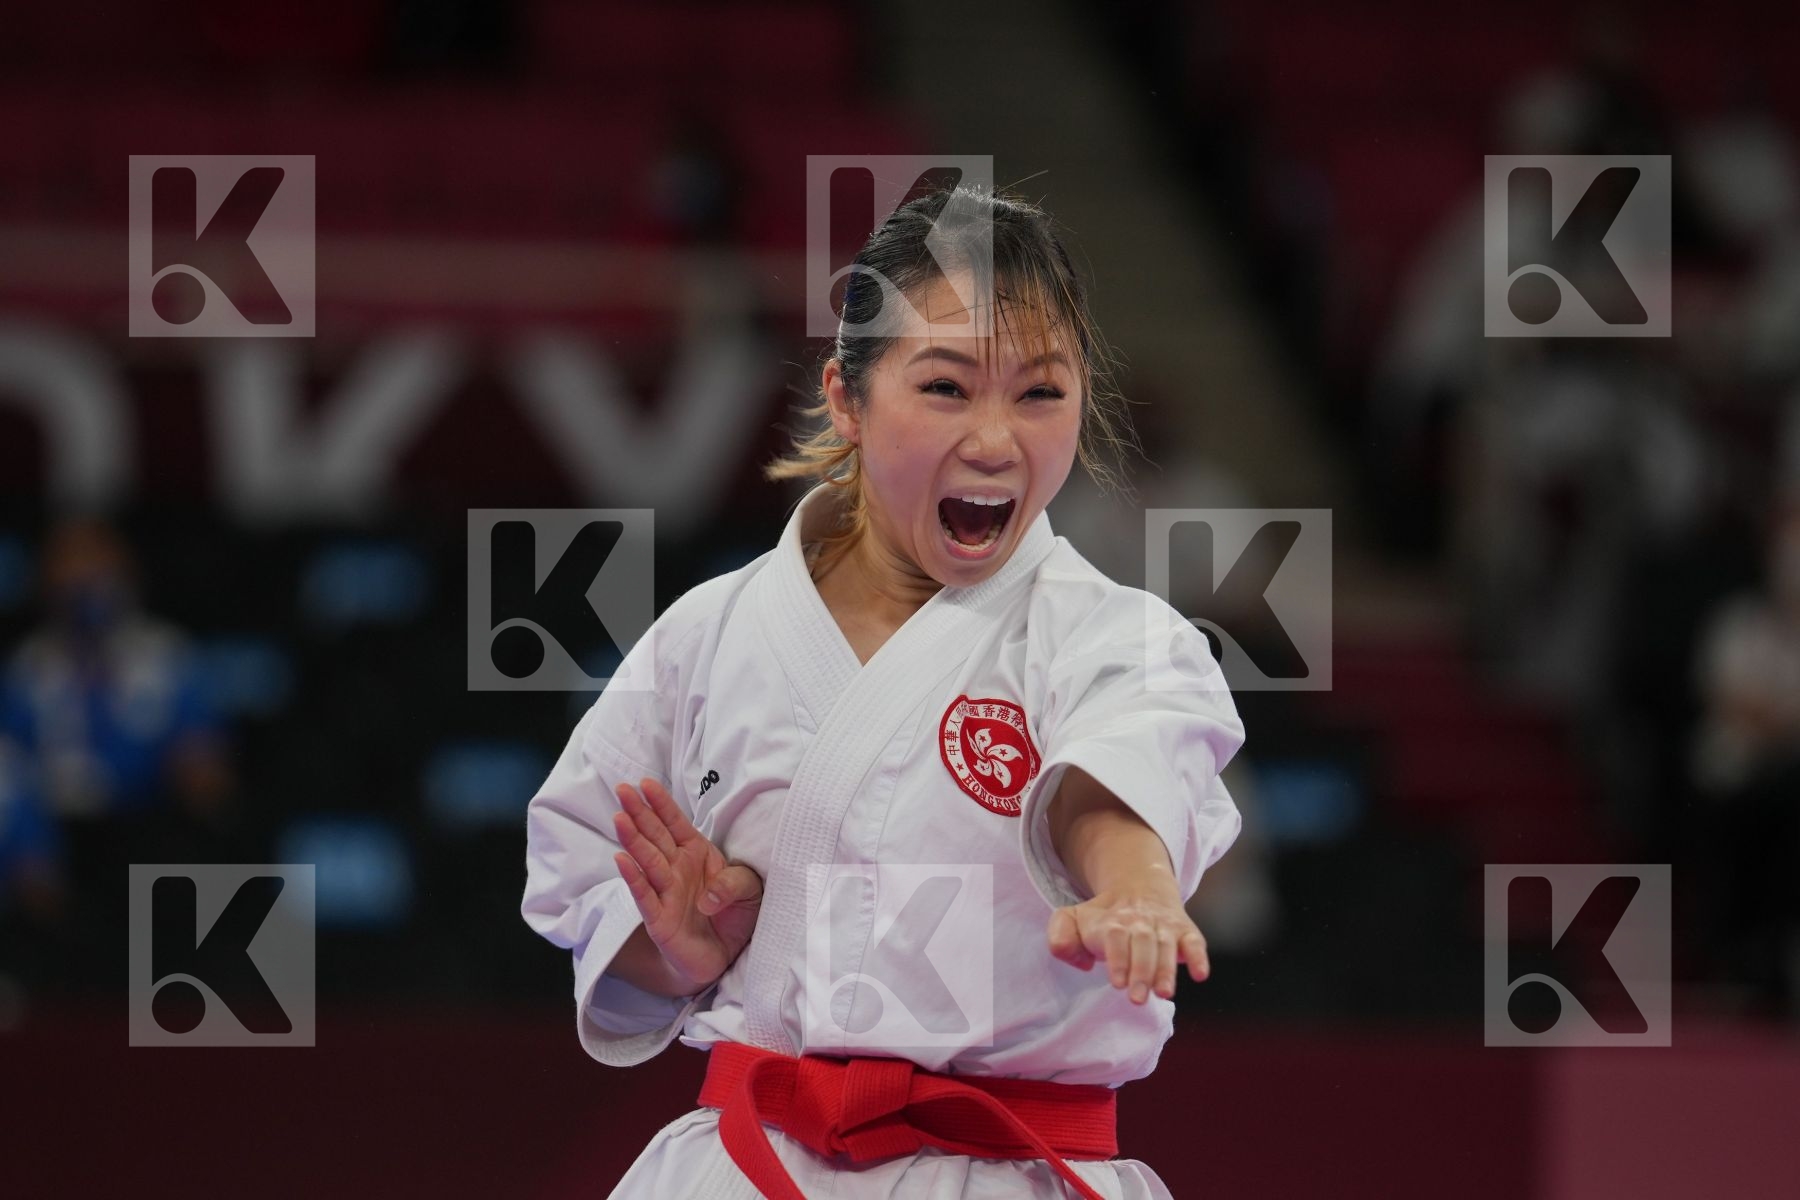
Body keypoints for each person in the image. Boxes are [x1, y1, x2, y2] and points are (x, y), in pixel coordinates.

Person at [521, 186, 1246, 1198]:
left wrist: (1131, 887)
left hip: (1008, 1175)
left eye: (1040, 393)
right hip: (748, 1167)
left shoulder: (1118, 636)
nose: (996, 439)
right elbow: (580, 873)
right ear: (846, 400)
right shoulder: (707, 635)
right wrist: (673, 954)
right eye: (947, 387)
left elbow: (1111, 778)